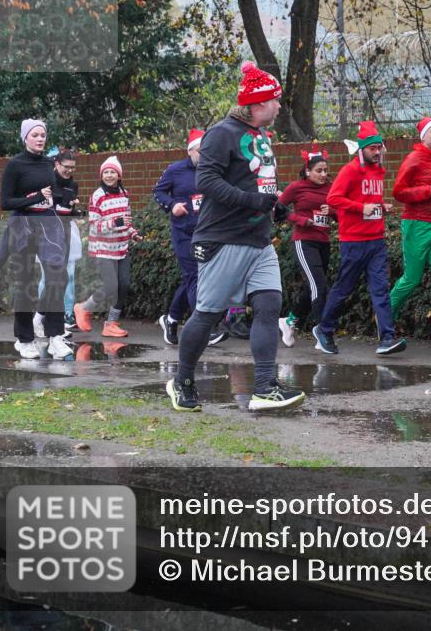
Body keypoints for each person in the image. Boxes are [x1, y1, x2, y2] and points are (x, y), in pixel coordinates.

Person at [165, 61, 306, 412]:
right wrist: (251, 201)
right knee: (208, 314)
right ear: (258, 103)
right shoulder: (221, 133)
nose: (278, 105)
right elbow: (207, 182)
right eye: (275, 100)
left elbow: (257, 182)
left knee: (269, 305)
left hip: (258, 241)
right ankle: (181, 381)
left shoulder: (260, 136)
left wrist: (275, 207)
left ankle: (264, 387)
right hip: (222, 240)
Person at [312, 121, 406, 356]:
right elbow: (333, 198)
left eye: (379, 147)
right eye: (372, 148)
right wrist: (360, 208)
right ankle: (324, 330)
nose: (377, 151)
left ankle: (386, 338)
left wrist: (380, 207)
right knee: (344, 289)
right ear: (362, 149)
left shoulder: (378, 170)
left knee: (381, 290)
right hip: (353, 241)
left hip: (376, 240)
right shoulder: (350, 170)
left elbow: (369, 201)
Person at [0, 119, 72, 359]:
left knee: (57, 277)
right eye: (35, 135)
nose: (40, 138)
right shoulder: (15, 165)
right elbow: (6, 202)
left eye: (43, 134)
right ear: (25, 138)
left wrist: (64, 201)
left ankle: (55, 337)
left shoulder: (48, 163)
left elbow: (52, 194)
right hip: (23, 225)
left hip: (48, 225)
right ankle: (25, 339)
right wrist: (35, 197)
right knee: (26, 282)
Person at [153, 129, 228, 348]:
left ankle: (171, 319)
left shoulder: (213, 171)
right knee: (195, 276)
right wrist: (172, 205)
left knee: (193, 278)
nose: (205, 155)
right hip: (184, 233)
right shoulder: (175, 170)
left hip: (208, 232)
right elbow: (158, 191)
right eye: (201, 151)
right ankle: (205, 329)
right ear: (191, 151)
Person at [389, 117, 431, 348]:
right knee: (412, 279)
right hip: (416, 225)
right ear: (424, 136)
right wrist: (428, 190)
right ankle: (384, 317)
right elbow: (398, 192)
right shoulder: (413, 158)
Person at [73, 156, 140, 337]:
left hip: (121, 247)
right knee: (110, 286)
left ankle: (110, 324)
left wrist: (132, 233)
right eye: (106, 172)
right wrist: (115, 222)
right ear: (101, 175)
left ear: (119, 176)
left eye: (113, 172)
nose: (109, 175)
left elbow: (125, 221)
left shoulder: (124, 194)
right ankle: (83, 308)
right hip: (102, 248)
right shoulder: (97, 196)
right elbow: (94, 226)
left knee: (123, 285)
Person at [277, 144, 334, 347]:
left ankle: (289, 321)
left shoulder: (331, 187)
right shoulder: (297, 188)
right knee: (320, 287)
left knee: (312, 288)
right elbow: (277, 211)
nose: (323, 174)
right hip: (304, 242)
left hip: (323, 242)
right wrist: (300, 220)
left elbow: (340, 212)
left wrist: (332, 211)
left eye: (326, 170)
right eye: (319, 171)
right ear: (308, 171)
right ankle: (323, 333)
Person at [34, 149, 81, 337]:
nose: (69, 171)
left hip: (65, 232)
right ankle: (45, 320)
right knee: (50, 278)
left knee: (62, 278)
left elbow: (68, 210)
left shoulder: (73, 184)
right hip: (46, 234)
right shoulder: (45, 182)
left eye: (73, 168)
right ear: (56, 164)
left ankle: (48, 318)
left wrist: (73, 210)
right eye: (66, 167)